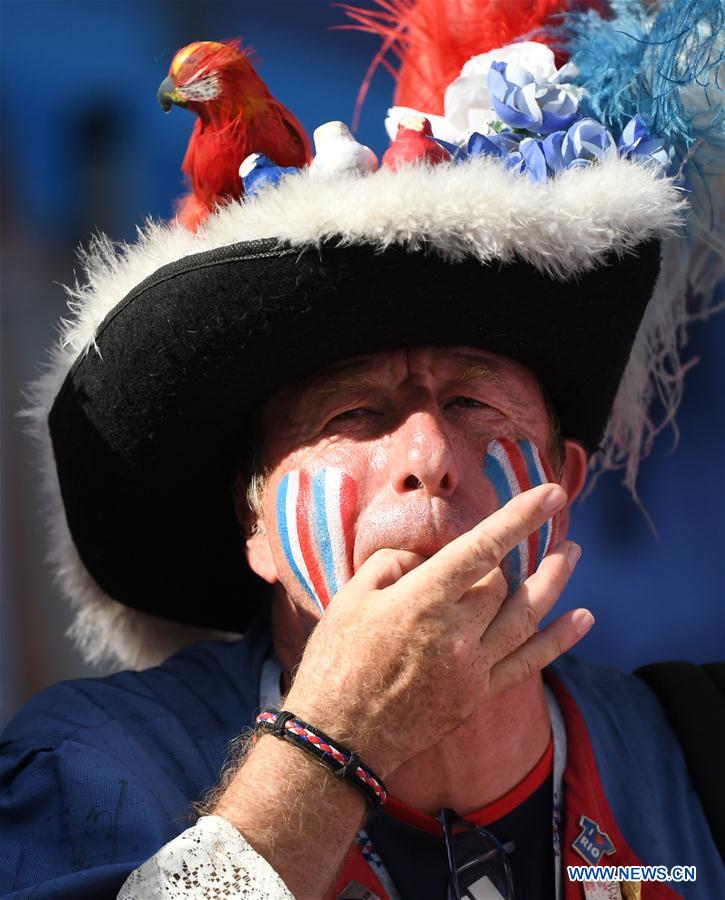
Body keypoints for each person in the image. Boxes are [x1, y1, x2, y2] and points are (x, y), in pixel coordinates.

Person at [1, 2, 723, 898]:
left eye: (472, 402)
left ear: (565, 483)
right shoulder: (90, 771)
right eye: (352, 412)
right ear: (253, 521)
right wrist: (336, 739)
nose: (428, 453)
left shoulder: (701, 763)